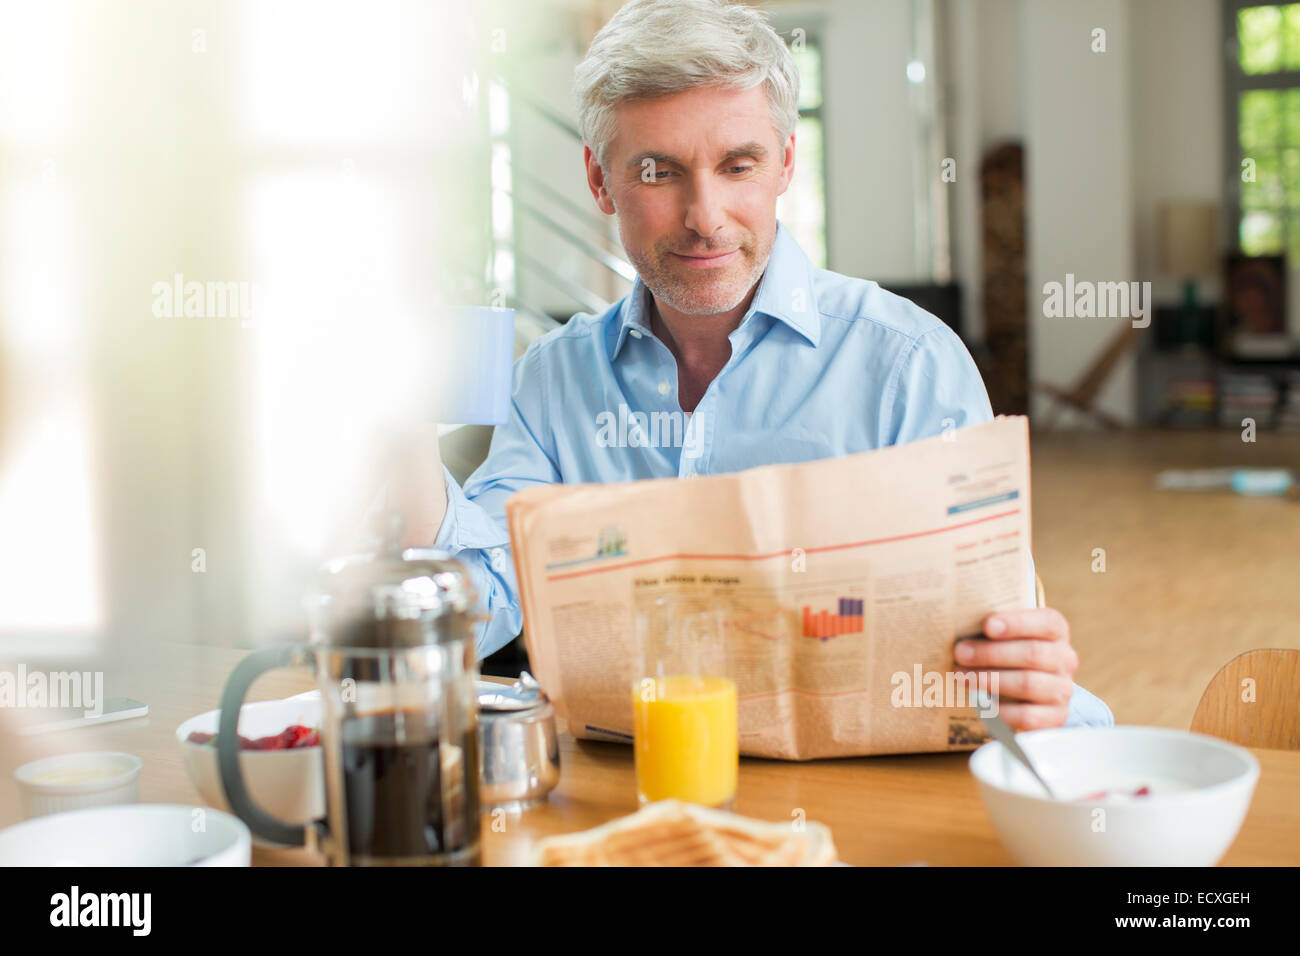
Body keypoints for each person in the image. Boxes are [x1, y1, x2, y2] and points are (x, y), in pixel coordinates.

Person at [395, 0, 1111, 730]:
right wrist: (397, 425)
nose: (704, 215)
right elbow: (467, 622)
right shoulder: (551, 384)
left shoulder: (910, 366)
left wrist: (1023, 675)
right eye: (658, 171)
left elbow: (998, 662)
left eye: (739, 165)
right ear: (599, 180)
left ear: (786, 165)